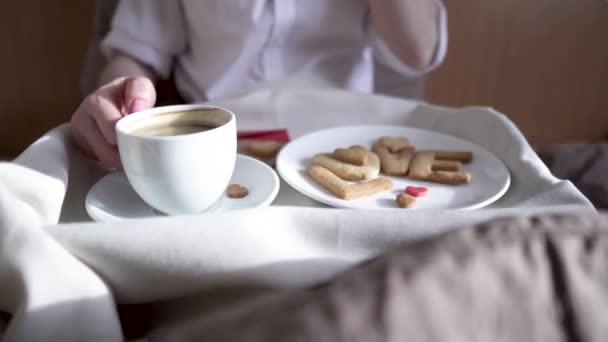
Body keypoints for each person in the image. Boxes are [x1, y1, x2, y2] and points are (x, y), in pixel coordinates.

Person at [71, 0, 448, 170]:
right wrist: (120, 92)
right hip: (218, 149)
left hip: (347, 142)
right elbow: (135, 50)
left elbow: (417, 51)